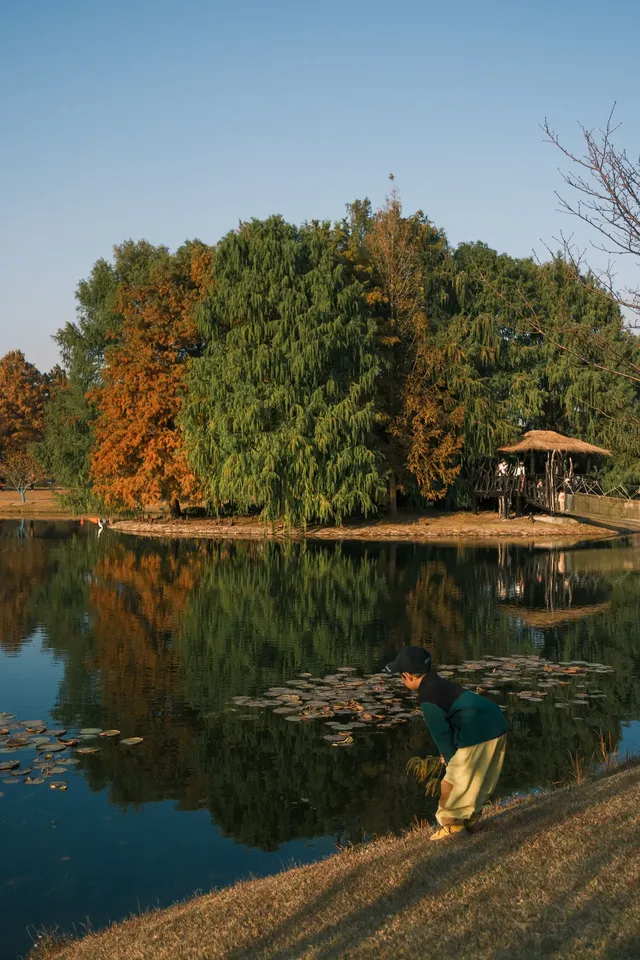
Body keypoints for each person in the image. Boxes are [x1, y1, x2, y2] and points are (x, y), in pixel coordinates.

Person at [385, 646, 508, 841]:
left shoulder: (428, 697)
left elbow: (442, 734)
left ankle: (452, 827)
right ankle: (471, 821)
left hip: (477, 733)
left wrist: (450, 757)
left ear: (409, 676)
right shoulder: (438, 683)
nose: (401, 680)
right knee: (476, 779)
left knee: (452, 782)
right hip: (496, 724)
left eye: (401, 676)